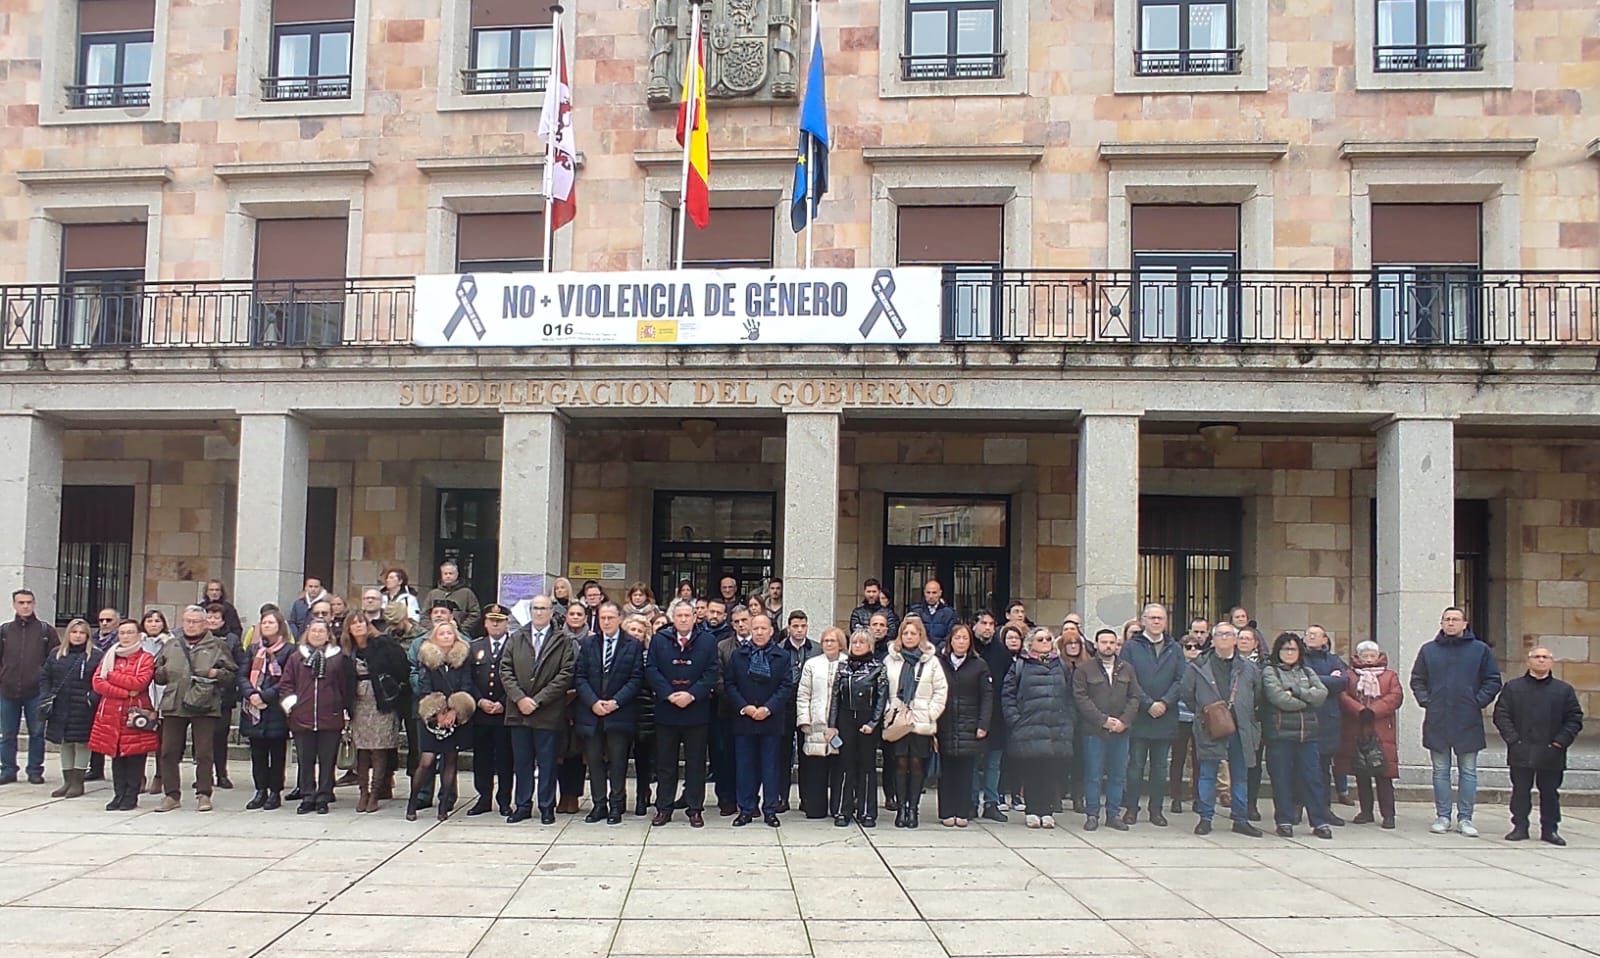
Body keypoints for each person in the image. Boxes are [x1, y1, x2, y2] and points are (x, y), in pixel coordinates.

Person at [1411, 606, 1502, 838]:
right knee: (1440, 771)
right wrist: (1426, 701)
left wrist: (1477, 701)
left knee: (1468, 771)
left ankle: (1465, 818)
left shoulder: (1479, 650)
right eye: (1446, 619)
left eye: (1455, 619)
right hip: (1438, 718)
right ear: (1441, 623)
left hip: (1467, 719)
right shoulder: (1429, 650)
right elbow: (1418, 679)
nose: (1450, 623)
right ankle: (1442, 815)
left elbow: (1492, 680)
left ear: (1465, 623)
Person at [1494, 647, 1584, 846]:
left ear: (1552, 662)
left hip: (1552, 751)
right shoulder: (1513, 687)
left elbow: (1574, 719)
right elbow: (1501, 714)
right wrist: (1513, 740)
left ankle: (1550, 829)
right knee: (1520, 790)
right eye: (1537, 657)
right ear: (1528, 661)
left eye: (1545, 657)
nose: (1541, 660)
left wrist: (1559, 742)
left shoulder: (1563, 690)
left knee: (1550, 792)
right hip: (1521, 749)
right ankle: (1520, 827)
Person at [1180, 622, 1264, 837]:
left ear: (1235, 640)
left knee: (1240, 774)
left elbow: (1258, 694)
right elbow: (1188, 694)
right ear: (1213, 639)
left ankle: (1240, 819)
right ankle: (1205, 818)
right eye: (1219, 635)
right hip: (1210, 726)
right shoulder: (1198, 666)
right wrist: (1204, 714)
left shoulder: (1249, 668)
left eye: (1228, 634)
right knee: (1207, 773)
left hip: (1241, 727)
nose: (1224, 638)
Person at [152, 605, 238, 812]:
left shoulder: (217, 645)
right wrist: (162, 672)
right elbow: (157, 673)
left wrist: (215, 674)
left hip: (204, 704)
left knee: (204, 752)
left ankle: (204, 793)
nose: (190, 625)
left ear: (205, 623)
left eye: (195, 621)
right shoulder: (172, 645)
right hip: (174, 703)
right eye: (187, 621)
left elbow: (231, 674)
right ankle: (171, 794)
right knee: (168, 751)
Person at [500, 595, 576, 825]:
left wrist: (539, 700)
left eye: (544, 608)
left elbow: (565, 674)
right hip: (518, 711)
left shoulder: (563, 640)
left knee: (547, 762)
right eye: (535, 608)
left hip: (548, 711)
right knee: (522, 762)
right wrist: (520, 698)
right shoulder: (516, 637)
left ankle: (546, 806)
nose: (539, 612)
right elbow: (506, 670)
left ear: (552, 611)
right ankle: (523, 805)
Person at [647, 598, 719, 827]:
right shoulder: (660, 640)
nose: (684, 619)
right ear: (673, 618)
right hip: (667, 710)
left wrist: (692, 694)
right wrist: (668, 693)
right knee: (665, 763)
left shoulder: (707, 641)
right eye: (679, 616)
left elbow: (711, 672)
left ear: (695, 617)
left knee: (696, 764)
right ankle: (664, 808)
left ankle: (695, 808)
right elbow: (651, 669)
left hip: (696, 711)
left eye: (688, 615)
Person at [575, 602, 644, 825]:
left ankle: (617, 804)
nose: (606, 622)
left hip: (619, 712)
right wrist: (593, 702)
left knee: (618, 761)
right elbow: (580, 677)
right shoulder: (588, 643)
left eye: (610, 618)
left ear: (620, 619)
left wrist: (616, 702)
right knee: (594, 761)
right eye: (603, 618)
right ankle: (599, 804)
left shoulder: (632, 645)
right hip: (592, 712)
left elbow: (636, 679)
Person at [1261, 632, 1333, 839]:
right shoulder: (1270, 672)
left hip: (1308, 734)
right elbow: (1279, 698)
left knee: (1313, 778)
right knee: (1281, 779)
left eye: (1293, 649)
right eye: (1285, 649)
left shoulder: (1308, 671)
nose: (1289, 653)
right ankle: (1284, 820)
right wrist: (1306, 700)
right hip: (1281, 733)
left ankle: (1319, 821)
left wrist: (1298, 692)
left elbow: (1321, 694)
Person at [1003, 626, 1076, 829]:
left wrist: (1068, 720)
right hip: (1029, 726)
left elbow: (1070, 695)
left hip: (1055, 727)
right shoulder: (1021, 665)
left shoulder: (1060, 665)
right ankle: (1032, 810)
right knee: (1032, 770)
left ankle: (1047, 811)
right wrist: (1015, 719)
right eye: (1041, 639)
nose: (1045, 643)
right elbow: (1008, 695)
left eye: (1048, 639)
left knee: (1050, 771)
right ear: (1030, 643)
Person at [277, 620, 352, 815]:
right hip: (303, 717)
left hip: (330, 717)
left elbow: (345, 687)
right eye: (314, 631)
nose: (317, 634)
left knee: (327, 760)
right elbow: (286, 684)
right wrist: (292, 706)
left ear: (328, 635)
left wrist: (343, 709)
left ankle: (324, 795)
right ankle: (308, 795)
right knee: (305, 759)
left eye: (321, 631)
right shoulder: (296, 658)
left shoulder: (338, 659)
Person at [725, 614, 794, 827]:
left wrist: (767, 708)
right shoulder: (738, 655)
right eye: (756, 628)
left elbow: (786, 686)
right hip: (745, 718)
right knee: (745, 766)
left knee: (770, 767)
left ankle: (770, 809)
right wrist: (745, 707)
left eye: (764, 628)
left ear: (771, 631)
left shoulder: (782, 656)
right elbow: (730, 684)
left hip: (771, 719)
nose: (760, 632)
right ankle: (746, 808)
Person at [409, 620, 480, 822]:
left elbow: (466, 685)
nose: (446, 636)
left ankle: (444, 806)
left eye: (450, 633)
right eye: (442, 634)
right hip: (432, 714)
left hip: (455, 715)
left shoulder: (463, 658)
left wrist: (455, 711)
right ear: (435, 637)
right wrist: (438, 712)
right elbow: (424, 687)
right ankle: (412, 803)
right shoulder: (428, 657)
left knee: (450, 759)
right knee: (427, 760)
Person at [883, 616, 948, 829]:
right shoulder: (891, 659)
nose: (909, 637)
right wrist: (888, 712)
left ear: (921, 636)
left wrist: (931, 713)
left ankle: (913, 808)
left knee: (917, 763)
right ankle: (901, 808)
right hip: (898, 719)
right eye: (906, 633)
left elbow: (941, 691)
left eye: (913, 633)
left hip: (921, 720)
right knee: (900, 763)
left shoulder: (932, 661)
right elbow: (882, 689)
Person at [1121, 603, 1183, 827]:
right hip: (1139, 714)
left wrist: (1165, 702)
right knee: (1135, 765)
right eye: (1152, 618)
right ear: (1144, 620)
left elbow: (1181, 679)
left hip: (1165, 715)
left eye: (1161, 618)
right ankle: (1131, 809)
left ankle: (1156, 811)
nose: (1157, 622)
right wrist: (1148, 703)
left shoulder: (1175, 648)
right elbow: (1128, 677)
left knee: (1159, 768)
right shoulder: (1131, 647)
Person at [1073, 627, 1141, 831]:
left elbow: (1135, 696)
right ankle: (1092, 815)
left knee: (1117, 775)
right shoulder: (1084, 670)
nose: (1108, 646)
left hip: (1121, 731)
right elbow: (1081, 698)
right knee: (1093, 775)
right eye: (1104, 642)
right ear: (1096, 644)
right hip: (1094, 731)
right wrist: (1103, 720)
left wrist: (1124, 721)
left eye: (1112, 642)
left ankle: (1113, 815)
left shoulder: (1127, 668)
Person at [89, 619, 160, 811]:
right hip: (112, 712)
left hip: (134, 713)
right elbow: (97, 682)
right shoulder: (110, 656)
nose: (126, 637)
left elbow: (139, 682)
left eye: (130, 632)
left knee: (135, 756)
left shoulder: (145, 658)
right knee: (116, 756)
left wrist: (111, 676)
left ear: (138, 635)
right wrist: (124, 692)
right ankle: (118, 794)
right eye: (122, 633)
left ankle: (131, 795)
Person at [343, 611, 407, 813]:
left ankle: (376, 792)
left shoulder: (383, 643)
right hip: (358, 703)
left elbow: (401, 669)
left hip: (382, 701)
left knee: (379, 749)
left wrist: (394, 692)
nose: (359, 626)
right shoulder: (347, 649)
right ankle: (363, 793)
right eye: (354, 624)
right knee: (362, 750)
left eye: (362, 622)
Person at [1335, 640, 1403, 829]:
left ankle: (1388, 814)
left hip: (1381, 728)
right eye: (1364, 655)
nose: (1368, 659)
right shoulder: (1349, 676)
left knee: (1384, 773)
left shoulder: (1389, 676)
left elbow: (1395, 696)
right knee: (1361, 772)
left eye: (1372, 655)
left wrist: (1373, 710)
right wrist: (1358, 709)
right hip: (1356, 727)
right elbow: (1343, 696)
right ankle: (1366, 811)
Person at [0, 589, 59, 785]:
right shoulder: (5, 631)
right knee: (7, 733)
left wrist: (48, 687)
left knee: (36, 733)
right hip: (7, 691)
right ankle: (8, 769)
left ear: (34, 604)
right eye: (21, 602)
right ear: (14, 605)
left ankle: (35, 770)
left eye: (29, 602)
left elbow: (55, 660)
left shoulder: (45, 630)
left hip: (36, 692)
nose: (25, 606)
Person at [936, 624, 992, 827]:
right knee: (947, 770)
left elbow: (987, 697)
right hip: (945, 722)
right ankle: (946, 811)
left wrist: (983, 724)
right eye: (957, 638)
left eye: (964, 638)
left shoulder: (979, 665)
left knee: (966, 771)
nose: (961, 642)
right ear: (950, 641)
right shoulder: (939, 663)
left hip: (970, 723)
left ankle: (963, 811)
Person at [238, 610, 295, 810]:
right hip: (253, 709)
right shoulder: (254, 649)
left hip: (276, 708)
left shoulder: (289, 650)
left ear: (280, 626)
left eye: (271, 623)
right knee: (257, 753)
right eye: (264, 623)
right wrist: (251, 694)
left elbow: (288, 680)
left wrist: (265, 695)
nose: (267, 626)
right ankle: (260, 790)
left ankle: (274, 791)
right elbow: (243, 675)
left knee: (277, 753)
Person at [40, 618, 103, 798]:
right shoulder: (56, 654)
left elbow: (101, 679)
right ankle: (67, 781)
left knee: (81, 742)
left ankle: (78, 782)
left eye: (82, 632)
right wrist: (46, 696)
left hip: (83, 706)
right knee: (65, 742)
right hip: (60, 705)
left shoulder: (96, 656)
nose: (77, 636)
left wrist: (92, 698)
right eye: (74, 632)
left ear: (87, 635)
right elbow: (45, 676)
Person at [467, 603, 516, 817]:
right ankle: (483, 798)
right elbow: (466, 678)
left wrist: (504, 702)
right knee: (482, 758)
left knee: (506, 759)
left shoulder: (515, 646)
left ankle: (504, 799)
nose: (495, 624)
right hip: (481, 713)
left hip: (505, 712)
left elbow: (519, 677)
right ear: (485, 623)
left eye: (500, 621)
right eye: (491, 620)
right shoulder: (474, 646)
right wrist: (479, 701)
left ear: (507, 623)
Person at [795, 626, 845, 820]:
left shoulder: (847, 663)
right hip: (815, 725)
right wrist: (804, 721)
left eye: (833, 641)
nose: (828, 644)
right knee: (815, 770)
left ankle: (839, 808)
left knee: (840, 769)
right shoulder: (812, 664)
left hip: (840, 727)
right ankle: (815, 808)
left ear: (840, 644)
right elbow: (803, 694)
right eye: (825, 641)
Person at [1301, 624, 1349, 825]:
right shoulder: (1299, 658)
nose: (1311, 637)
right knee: (1297, 768)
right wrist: (1327, 680)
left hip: (1327, 721)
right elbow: (1298, 680)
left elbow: (1343, 682)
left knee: (1322, 769)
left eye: (1315, 635)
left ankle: (1324, 809)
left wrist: (1314, 681)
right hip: (1303, 718)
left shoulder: (1334, 660)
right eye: (1308, 634)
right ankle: (1296, 808)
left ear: (1324, 640)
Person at [777, 609, 820, 811]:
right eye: (795, 626)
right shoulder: (779, 649)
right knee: (783, 753)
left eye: (803, 626)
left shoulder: (816, 649)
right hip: (785, 704)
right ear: (789, 627)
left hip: (808, 706)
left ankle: (807, 798)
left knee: (807, 752)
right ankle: (782, 797)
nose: (799, 630)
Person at [972, 611, 1011, 821]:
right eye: (983, 623)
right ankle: (971, 803)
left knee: (993, 764)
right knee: (972, 763)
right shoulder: (968, 649)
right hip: (971, 714)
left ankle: (991, 803)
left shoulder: (1001, 652)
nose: (987, 628)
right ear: (974, 625)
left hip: (996, 715)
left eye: (991, 624)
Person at [554, 602, 591, 814]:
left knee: (577, 752)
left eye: (580, 614)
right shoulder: (557, 639)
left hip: (582, 701)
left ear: (585, 618)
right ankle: (562, 794)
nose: (575, 617)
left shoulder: (591, 640)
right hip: (559, 702)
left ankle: (574, 795)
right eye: (572, 614)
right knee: (561, 752)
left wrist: (577, 692)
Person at [1167, 630, 1206, 814]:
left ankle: (1198, 796)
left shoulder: (1205, 667)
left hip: (1199, 718)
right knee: (1178, 758)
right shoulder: (1177, 666)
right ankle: (1176, 797)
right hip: (1179, 717)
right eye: (1188, 647)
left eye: (1196, 647)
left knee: (1199, 759)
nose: (1192, 650)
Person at [622, 614, 657, 815]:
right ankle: (619, 797)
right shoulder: (619, 653)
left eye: (640, 631)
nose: (636, 634)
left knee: (644, 760)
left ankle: (643, 796)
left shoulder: (649, 656)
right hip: (623, 711)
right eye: (632, 630)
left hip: (646, 713)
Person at [205, 602, 242, 790]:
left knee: (220, 736)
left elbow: (239, 664)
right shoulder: (198, 638)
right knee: (202, 737)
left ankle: (221, 773)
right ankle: (204, 775)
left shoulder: (232, 639)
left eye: (216, 617)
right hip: (200, 695)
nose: (212, 620)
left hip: (223, 694)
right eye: (209, 616)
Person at [139, 609, 173, 796]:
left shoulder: (171, 643)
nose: (153, 624)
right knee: (140, 737)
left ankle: (160, 776)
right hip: (143, 694)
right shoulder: (137, 642)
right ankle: (139, 776)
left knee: (163, 741)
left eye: (157, 620)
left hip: (164, 692)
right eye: (149, 620)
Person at [1235, 626, 1268, 820]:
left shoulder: (1264, 665)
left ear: (1256, 643)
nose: (1244, 641)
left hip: (1255, 720)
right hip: (1232, 719)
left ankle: (1251, 804)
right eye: (1241, 638)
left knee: (1253, 763)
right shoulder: (1228, 662)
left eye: (1249, 639)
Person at [425, 560, 482, 638]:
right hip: (434, 635)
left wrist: (461, 629)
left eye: (451, 573)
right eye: (445, 573)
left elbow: (475, 614)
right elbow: (424, 615)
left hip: (460, 635)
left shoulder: (467, 593)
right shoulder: (433, 594)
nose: (448, 576)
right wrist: (434, 629)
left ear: (457, 574)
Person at [905, 580, 957, 649]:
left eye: (934, 593)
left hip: (941, 653)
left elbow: (950, 635)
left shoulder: (949, 613)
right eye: (928, 593)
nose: (931, 596)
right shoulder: (916, 611)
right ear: (924, 593)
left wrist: (937, 649)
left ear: (940, 593)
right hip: (919, 650)